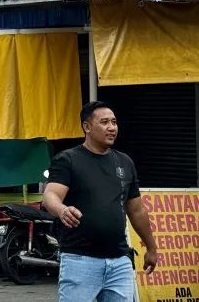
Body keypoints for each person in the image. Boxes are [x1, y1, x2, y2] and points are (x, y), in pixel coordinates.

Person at [43, 101, 158, 301]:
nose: (112, 127)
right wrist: (62, 210)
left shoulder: (125, 162)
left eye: (114, 122)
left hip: (120, 261)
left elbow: (137, 210)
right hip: (80, 261)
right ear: (87, 127)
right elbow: (50, 195)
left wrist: (151, 248)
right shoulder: (68, 159)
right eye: (104, 122)